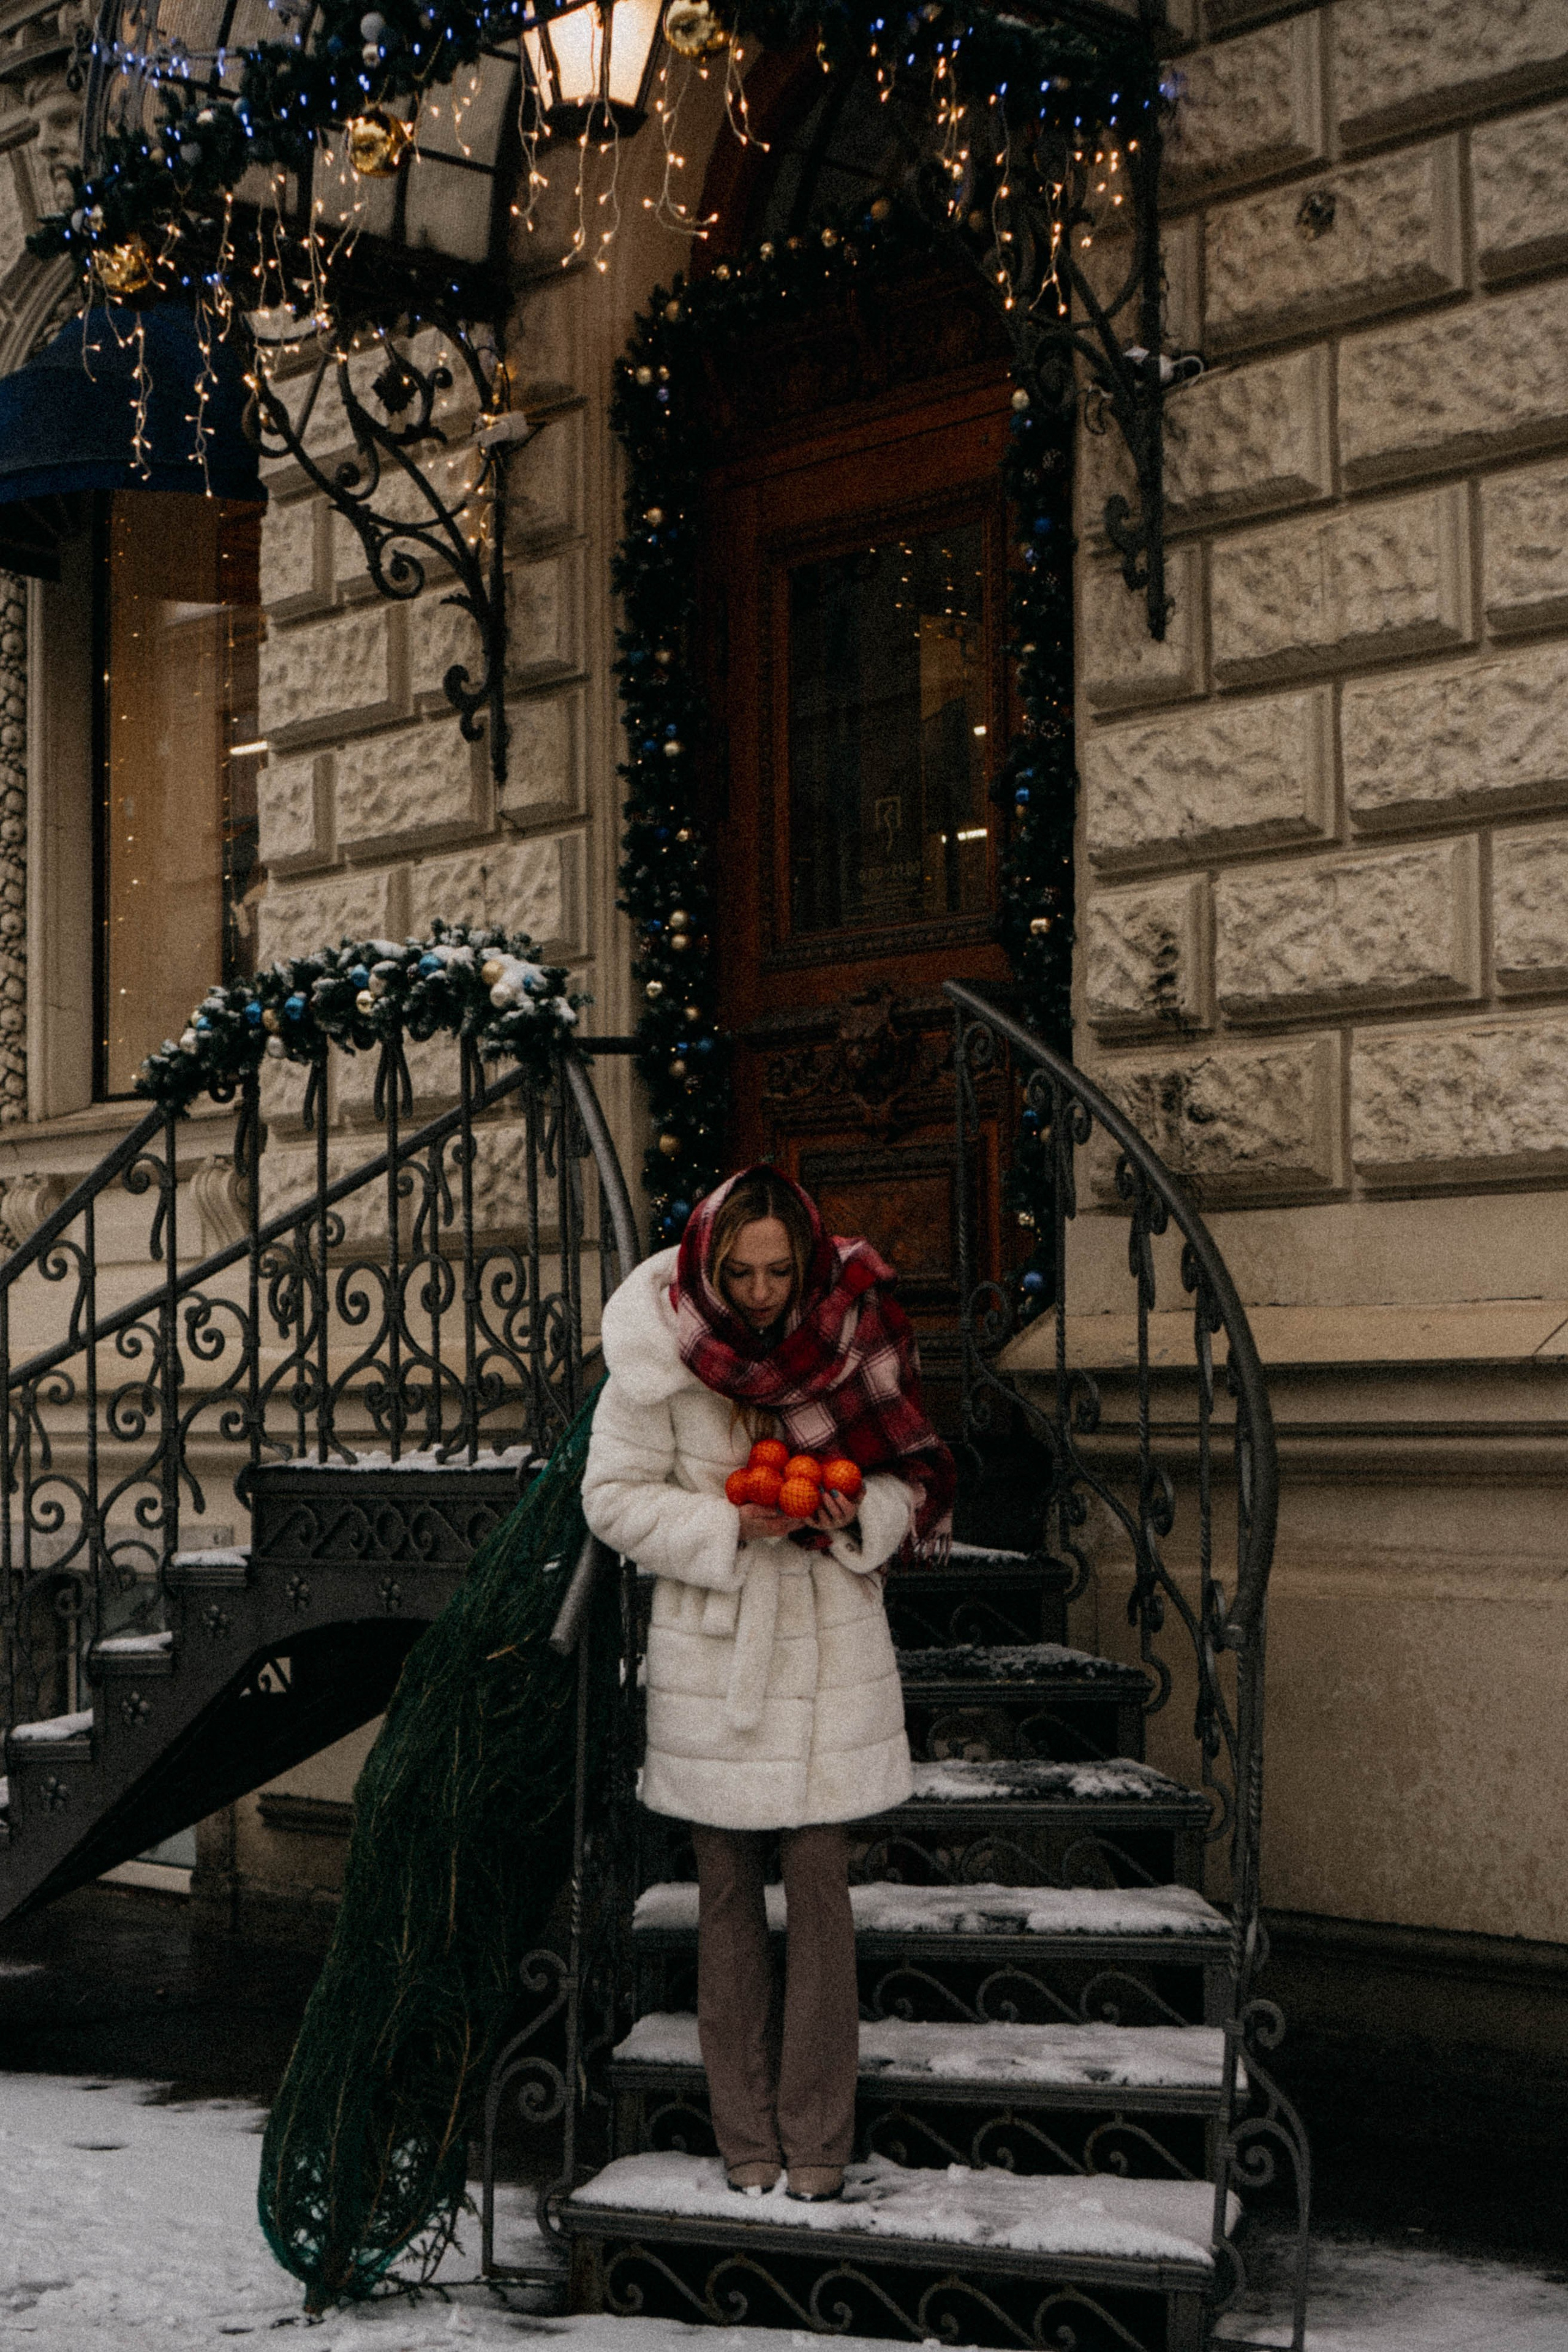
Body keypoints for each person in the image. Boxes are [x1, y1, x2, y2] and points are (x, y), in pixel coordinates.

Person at [581, 1166, 955, 2204]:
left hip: (831, 1643)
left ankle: (819, 2142)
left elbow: (908, 1477)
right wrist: (720, 1527)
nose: (757, 1293)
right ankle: (745, 2140)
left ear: (807, 1263)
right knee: (728, 1906)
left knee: (824, 1897)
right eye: (739, 1272)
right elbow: (609, 1498)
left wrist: (856, 1520)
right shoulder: (658, 1360)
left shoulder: (851, 1334)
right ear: (707, 1261)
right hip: (718, 1655)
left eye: (778, 1272)